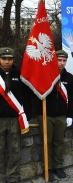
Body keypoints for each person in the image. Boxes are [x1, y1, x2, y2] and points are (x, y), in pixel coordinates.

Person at [33, 50, 73, 180]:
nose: (61, 63)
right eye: (59, 60)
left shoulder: (69, 78)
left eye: (64, 61)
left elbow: (72, 99)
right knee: (47, 143)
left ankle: (58, 166)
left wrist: (70, 115)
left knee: (59, 142)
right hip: (46, 115)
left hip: (61, 116)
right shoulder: (45, 75)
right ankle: (48, 168)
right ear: (53, 60)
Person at [0, 47, 33, 182]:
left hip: (15, 119)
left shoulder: (20, 75)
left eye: (9, 59)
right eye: (3, 59)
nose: (7, 62)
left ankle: (13, 177)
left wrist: (28, 115)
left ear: (13, 59)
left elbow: (27, 97)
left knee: (14, 150)